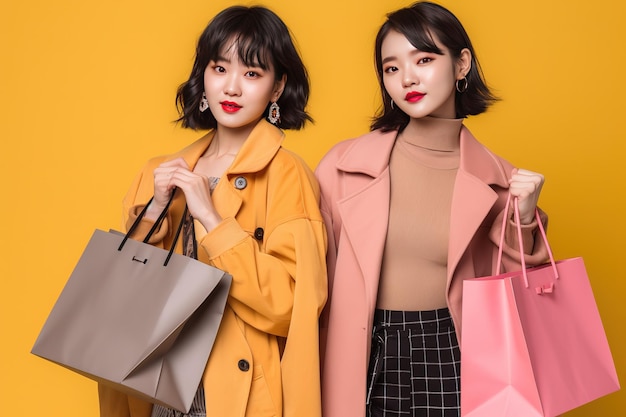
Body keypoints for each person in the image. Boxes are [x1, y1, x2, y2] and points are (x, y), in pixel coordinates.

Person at [315, 2, 550, 417]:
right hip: (361, 352)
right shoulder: (342, 166)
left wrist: (525, 218)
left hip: (453, 350)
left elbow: (522, 304)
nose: (407, 78)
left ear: (462, 65)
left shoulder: (502, 182)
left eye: (424, 59)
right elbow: (311, 286)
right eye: (391, 68)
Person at [98, 6, 327, 417]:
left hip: (238, 392)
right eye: (220, 69)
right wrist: (153, 214)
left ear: (277, 89)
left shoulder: (286, 175)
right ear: (203, 75)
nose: (232, 88)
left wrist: (213, 219)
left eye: (252, 74)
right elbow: (124, 296)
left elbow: (292, 307)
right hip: (157, 384)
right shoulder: (159, 171)